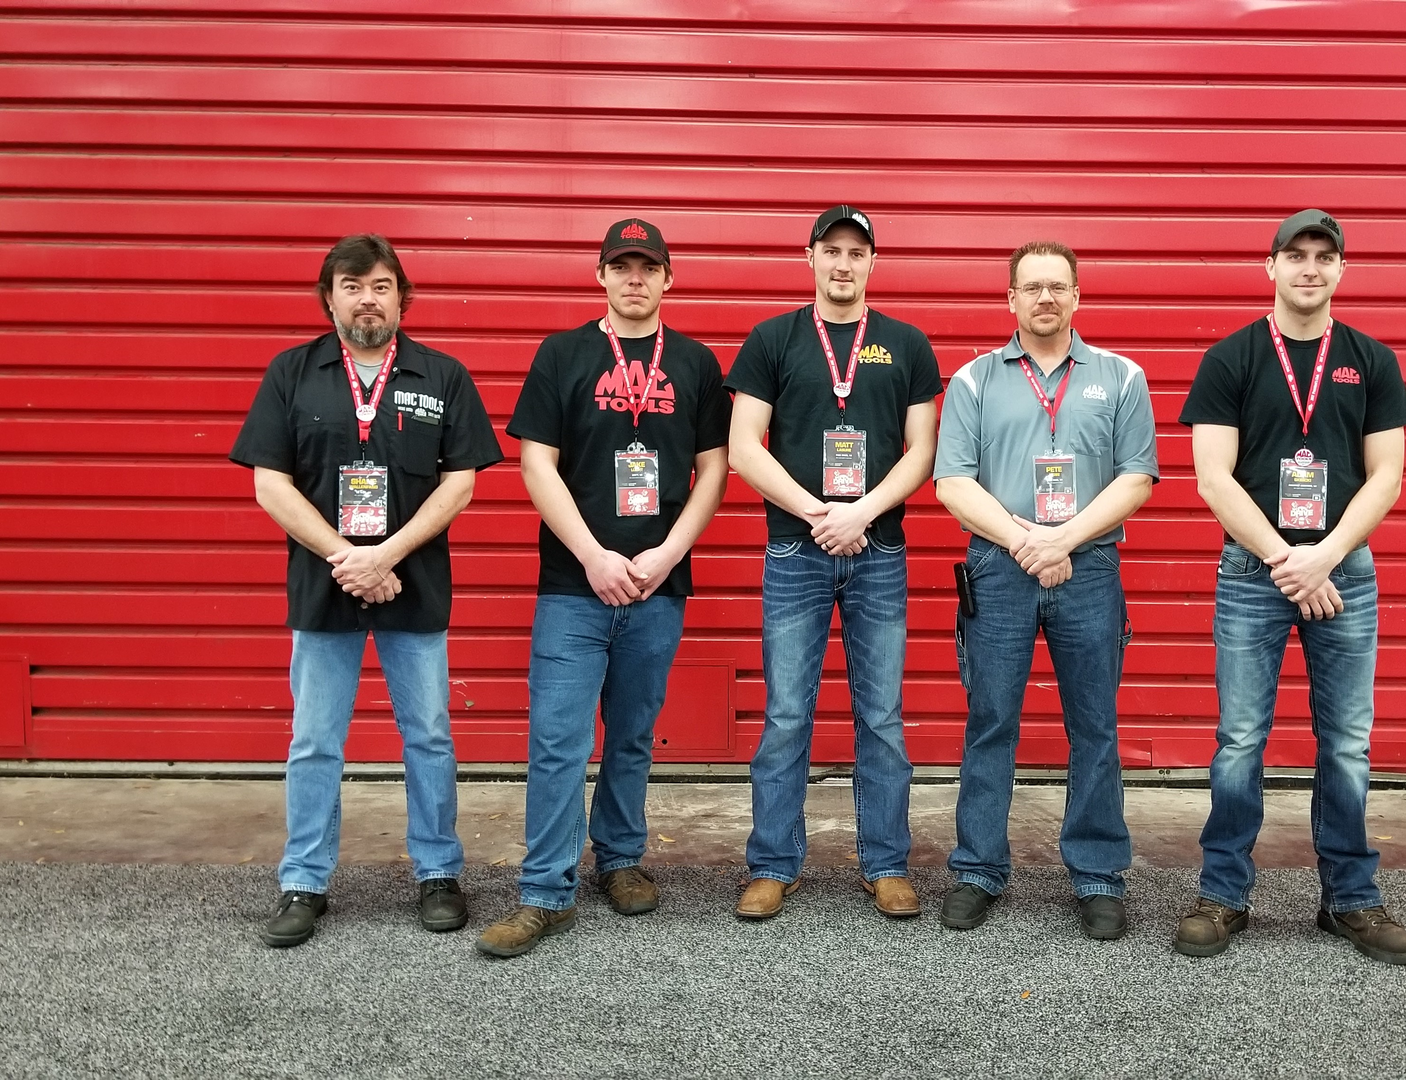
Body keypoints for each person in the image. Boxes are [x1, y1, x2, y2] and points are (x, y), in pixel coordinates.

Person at [230, 233, 504, 947]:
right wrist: (344, 555)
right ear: (329, 297)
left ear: (401, 298)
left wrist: (386, 555)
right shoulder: (292, 373)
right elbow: (269, 482)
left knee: (430, 737)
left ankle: (439, 873)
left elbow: (461, 481)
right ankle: (304, 882)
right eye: (352, 285)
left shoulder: (441, 375)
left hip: (413, 583)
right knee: (315, 741)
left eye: (381, 285)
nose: (367, 298)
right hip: (325, 587)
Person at [474, 219, 730, 958]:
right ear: (600, 277)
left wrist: (666, 553)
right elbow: (536, 465)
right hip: (573, 585)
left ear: (668, 278)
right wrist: (591, 556)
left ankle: (619, 860)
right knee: (557, 739)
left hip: (659, 584)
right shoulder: (563, 355)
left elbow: (713, 469)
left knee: (632, 735)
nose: (634, 279)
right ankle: (545, 893)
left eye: (647, 267)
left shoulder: (695, 363)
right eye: (621, 266)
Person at [1174, 210, 1406, 964]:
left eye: (1324, 256)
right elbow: (1213, 476)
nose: (1310, 268)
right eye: (1296, 255)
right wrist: (1288, 557)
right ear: (1270, 266)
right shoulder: (1232, 358)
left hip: (1344, 571)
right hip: (1253, 572)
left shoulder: (1371, 360)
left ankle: (1351, 899)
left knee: (1346, 743)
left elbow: (1387, 475)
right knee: (1239, 741)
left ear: (1341, 270)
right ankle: (1224, 895)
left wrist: (1327, 554)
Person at [932, 240, 1158, 940]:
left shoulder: (1122, 378)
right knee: (991, 720)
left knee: (1094, 725)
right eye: (1031, 288)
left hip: (1088, 569)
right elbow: (953, 482)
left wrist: (1063, 540)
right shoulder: (972, 381)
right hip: (1000, 567)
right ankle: (977, 869)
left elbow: (1136, 477)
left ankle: (1096, 875)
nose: (1046, 299)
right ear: (1010, 299)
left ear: (1078, 296)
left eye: (1058, 287)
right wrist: (1027, 541)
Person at [725, 205, 941, 920]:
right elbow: (744, 447)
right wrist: (820, 513)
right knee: (788, 713)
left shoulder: (906, 344)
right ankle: (773, 864)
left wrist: (861, 512)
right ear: (809, 258)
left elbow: (923, 452)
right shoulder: (772, 339)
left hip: (878, 549)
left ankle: (885, 863)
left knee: (880, 715)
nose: (843, 264)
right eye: (831, 251)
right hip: (796, 548)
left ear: (873, 262)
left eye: (857, 252)